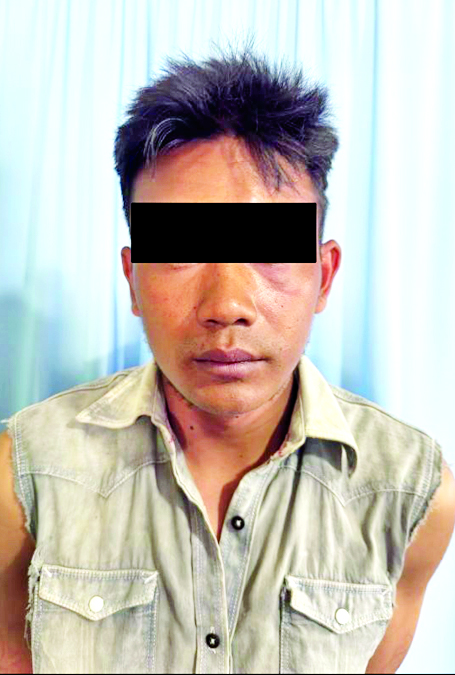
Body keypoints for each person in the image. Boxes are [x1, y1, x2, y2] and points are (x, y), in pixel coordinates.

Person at [1, 44, 454, 675]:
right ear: (133, 280)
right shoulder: (23, 475)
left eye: (270, 252)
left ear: (324, 276)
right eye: (181, 251)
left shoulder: (412, 495)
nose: (227, 306)